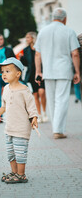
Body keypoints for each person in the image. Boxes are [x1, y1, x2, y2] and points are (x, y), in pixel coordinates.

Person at [34, 7, 80, 139]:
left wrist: (38, 71)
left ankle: (57, 128)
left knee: (52, 100)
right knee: (62, 100)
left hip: (48, 71)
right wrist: (77, 71)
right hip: (64, 70)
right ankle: (58, 130)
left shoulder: (42, 31)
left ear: (52, 17)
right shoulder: (69, 31)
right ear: (65, 19)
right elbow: (75, 53)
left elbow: (37, 54)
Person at [0, 57, 38, 183]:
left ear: (18, 74)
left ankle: (21, 174)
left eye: (7, 71)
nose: (4, 74)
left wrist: (34, 118)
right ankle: (14, 172)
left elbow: (31, 106)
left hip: (21, 128)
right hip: (9, 128)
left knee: (20, 152)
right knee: (11, 153)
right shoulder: (6, 89)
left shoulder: (25, 90)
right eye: (3, 72)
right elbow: (4, 106)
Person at [20, 32, 47, 122]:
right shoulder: (26, 50)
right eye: (26, 37)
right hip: (31, 75)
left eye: (28, 37)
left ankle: (44, 112)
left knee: (42, 92)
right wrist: (22, 58)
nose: (27, 39)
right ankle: (39, 114)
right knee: (35, 95)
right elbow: (26, 64)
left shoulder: (39, 48)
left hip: (40, 73)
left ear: (33, 38)